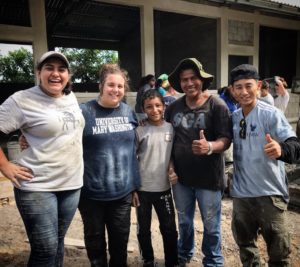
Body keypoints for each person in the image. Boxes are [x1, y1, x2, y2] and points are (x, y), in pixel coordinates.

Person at [0, 51, 85, 266]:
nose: (55, 74)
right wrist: (5, 166)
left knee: (57, 243)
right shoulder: (22, 100)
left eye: (61, 69)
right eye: (49, 68)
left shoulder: (70, 96)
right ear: (39, 72)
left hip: (71, 184)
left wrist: (25, 134)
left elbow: (61, 130)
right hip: (37, 186)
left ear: (68, 75)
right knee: (45, 249)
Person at [229, 64, 300, 266]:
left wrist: (281, 149)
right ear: (233, 90)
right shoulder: (233, 118)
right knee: (247, 249)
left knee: (279, 253)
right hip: (242, 196)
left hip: (270, 195)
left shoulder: (271, 114)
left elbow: (296, 146)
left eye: (248, 86)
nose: (244, 92)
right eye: (238, 87)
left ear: (258, 85)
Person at [165, 58, 232, 267]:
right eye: (184, 80)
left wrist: (210, 147)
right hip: (182, 179)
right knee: (184, 222)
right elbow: (167, 141)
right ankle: (184, 254)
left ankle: (212, 261)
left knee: (211, 226)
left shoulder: (217, 105)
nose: (189, 83)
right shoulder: (173, 107)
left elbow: (226, 139)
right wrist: (170, 167)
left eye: (193, 78)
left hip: (209, 179)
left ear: (202, 80)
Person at [78, 63, 141, 267]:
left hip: (121, 194)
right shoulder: (84, 112)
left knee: (120, 244)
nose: (116, 90)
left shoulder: (128, 112)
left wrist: (135, 186)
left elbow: (133, 152)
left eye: (120, 86)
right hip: (91, 194)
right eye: (111, 85)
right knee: (95, 244)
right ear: (101, 86)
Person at [133, 89, 178, 267]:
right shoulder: (140, 130)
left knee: (169, 228)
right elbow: (132, 159)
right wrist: (133, 187)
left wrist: (172, 168)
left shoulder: (171, 128)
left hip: (164, 189)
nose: (154, 110)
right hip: (143, 189)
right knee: (143, 228)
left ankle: (172, 261)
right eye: (149, 107)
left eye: (158, 105)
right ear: (143, 109)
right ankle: (148, 260)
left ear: (164, 106)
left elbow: (171, 155)